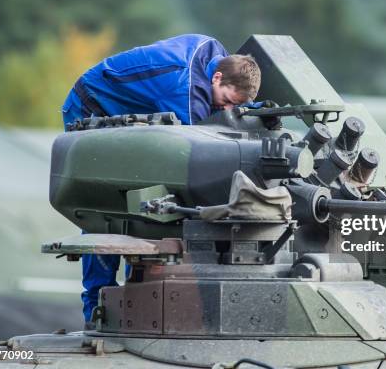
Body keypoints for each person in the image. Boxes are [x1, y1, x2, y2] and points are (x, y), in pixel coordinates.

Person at [60, 34, 261, 325]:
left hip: (131, 113)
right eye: (227, 101)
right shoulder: (186, 90)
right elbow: (199, 149)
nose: (226, 109)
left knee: (143, 199)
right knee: (108, 209)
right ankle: (96, 306)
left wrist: (250, 111)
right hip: (93, 105)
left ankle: (134, 299)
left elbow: (219, 112)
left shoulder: (214, 51)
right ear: (216, 78)